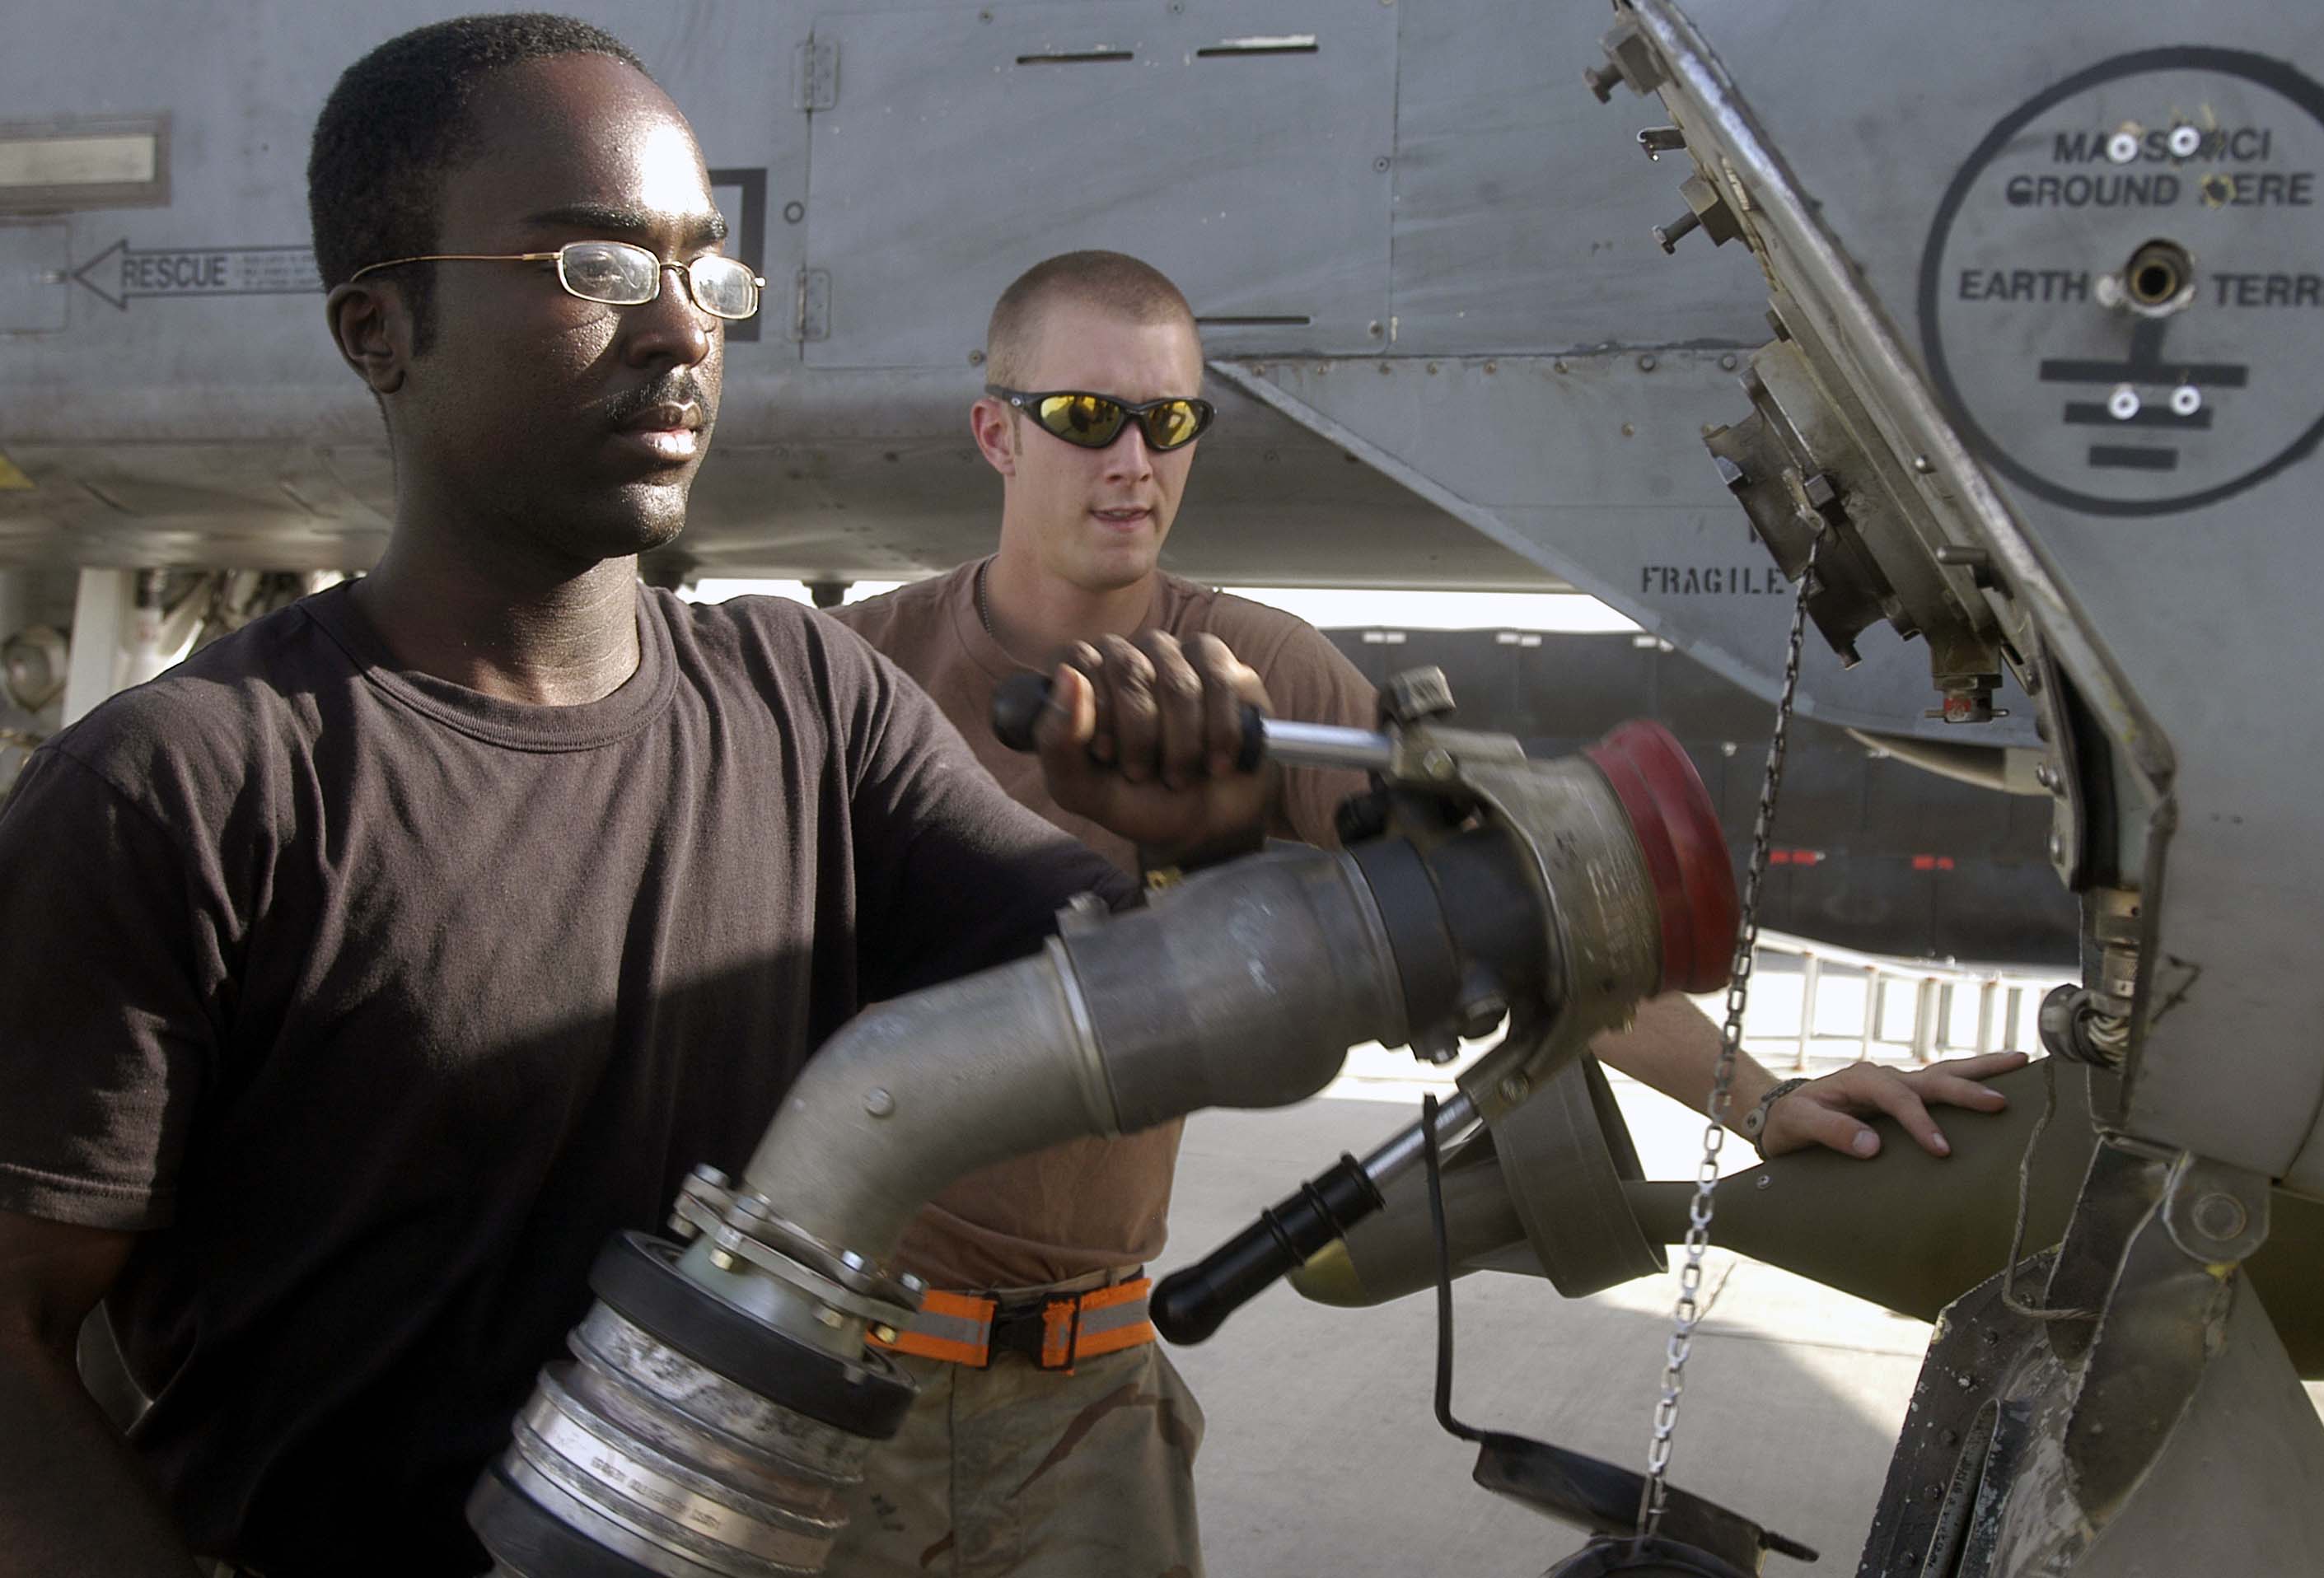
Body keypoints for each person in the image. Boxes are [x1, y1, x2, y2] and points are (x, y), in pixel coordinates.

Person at [0, 22, 1269, 1577]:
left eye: (707, 275)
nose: (680, 332)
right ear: (378, 327)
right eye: (596, 272)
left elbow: (1144, 1021)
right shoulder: (188, 790)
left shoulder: (815, 709)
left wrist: (1197, 848)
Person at [824, 251, 2026, 1576]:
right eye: (1084, 417)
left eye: (1170, 424)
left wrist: (1764, 1099)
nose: (1134, 462)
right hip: (832, 1371)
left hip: (1086, 1392)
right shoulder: (857, 675)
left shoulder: (1257, 678)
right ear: (996, 430)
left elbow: (1521, 915)